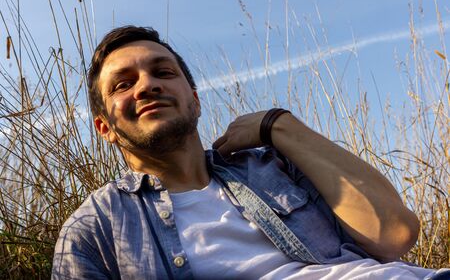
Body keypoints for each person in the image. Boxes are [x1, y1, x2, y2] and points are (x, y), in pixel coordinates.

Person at [52, 26, 448, 279]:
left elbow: (395, 232)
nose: (146, 86)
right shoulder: (95, 230)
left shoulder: (271, 166)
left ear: (194, 100)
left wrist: (279, 125)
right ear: (104, 127)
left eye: (163, 72)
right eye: (123, 84)